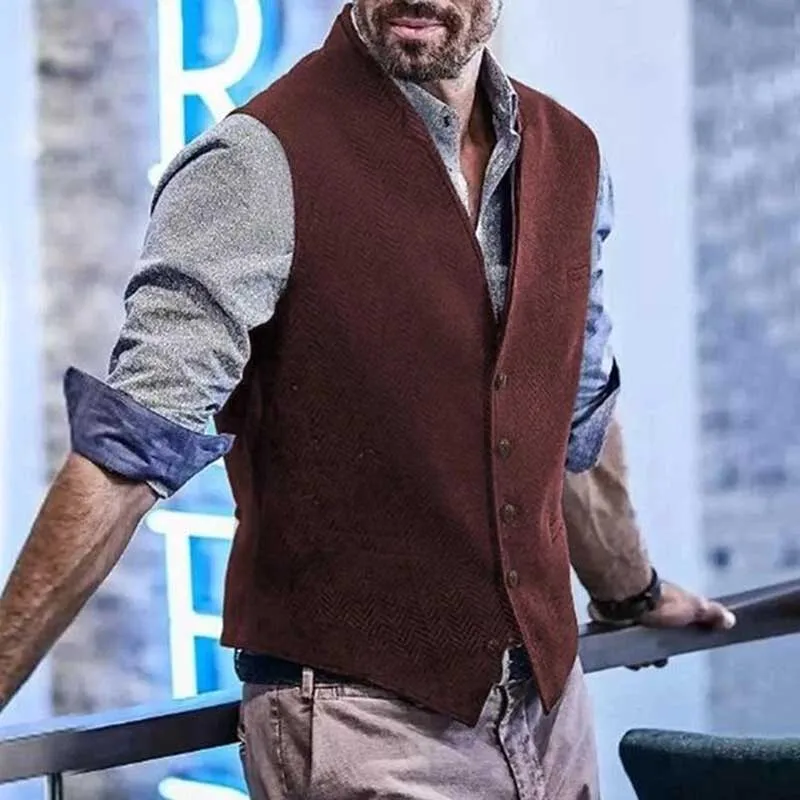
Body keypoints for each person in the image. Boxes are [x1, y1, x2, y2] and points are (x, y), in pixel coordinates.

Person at [0, 2, 736, 798]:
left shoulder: (571, 154)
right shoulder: (256, 161)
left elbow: (573, 417)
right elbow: (129, 453)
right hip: (360, 728)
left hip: (551, 721)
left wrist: (631, 593)